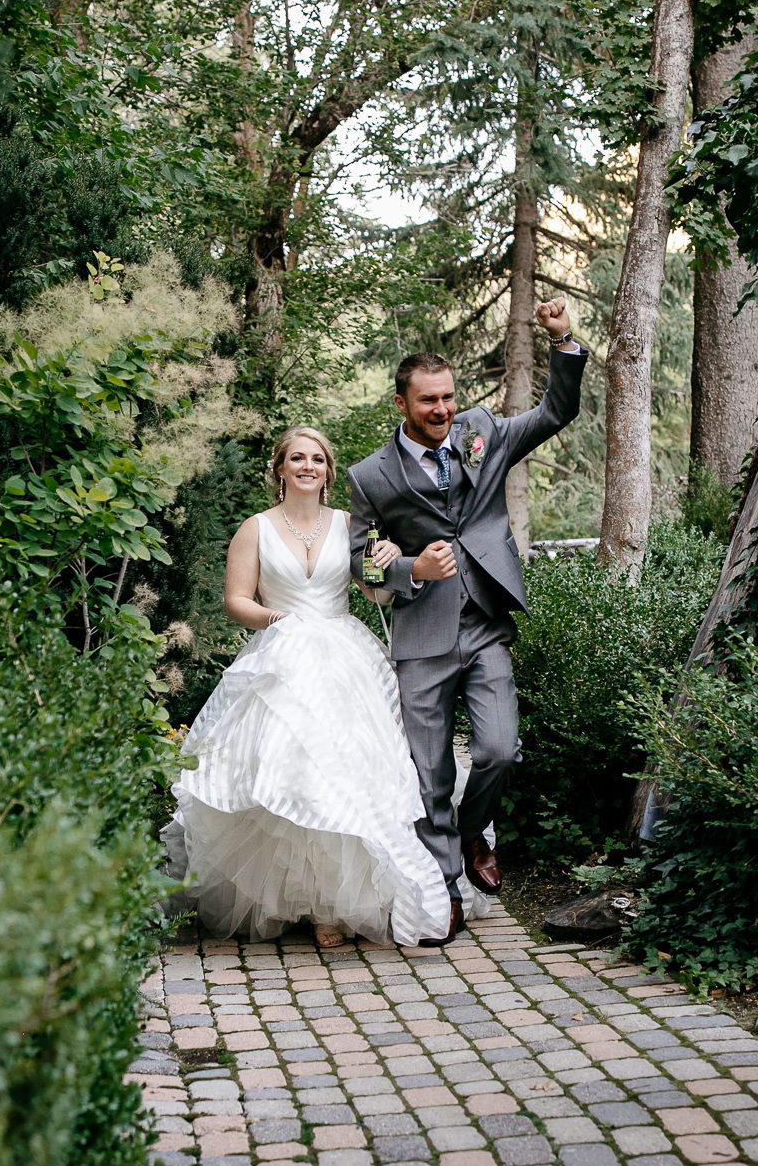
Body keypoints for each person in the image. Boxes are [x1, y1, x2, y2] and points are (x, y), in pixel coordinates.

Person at [347, 299, 587, 944]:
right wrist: (411, 570)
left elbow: (555, 412)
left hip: (485, 623)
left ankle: (475, 829)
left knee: (499, 750)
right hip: (422, 636)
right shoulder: (370, 476)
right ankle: (448, 889)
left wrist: (561, 340)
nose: (442, 410)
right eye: (428, 400)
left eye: (448, 397)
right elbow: (358, 560)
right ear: (401, 403)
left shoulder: (483, 433)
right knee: (430, 775)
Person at [162, 427, 453, 948]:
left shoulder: (349, 525)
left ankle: (331, 907)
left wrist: (387, 559)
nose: (308, 466)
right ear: (280, 468)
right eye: (297, 458)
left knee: (343, 772)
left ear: (328, 472)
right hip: (282, 656)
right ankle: (292, 898)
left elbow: (375, 595)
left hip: (346, 660)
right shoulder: (255, 528)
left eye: (317, 459)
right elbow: (237, 599)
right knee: (289, 774)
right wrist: (277, 621)